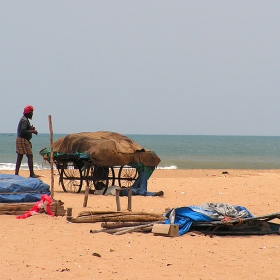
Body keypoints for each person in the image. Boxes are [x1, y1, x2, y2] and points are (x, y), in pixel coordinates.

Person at [15, 105, 39, 178]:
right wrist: (32, 131)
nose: (32, 114)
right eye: (32, 112)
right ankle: (31, 174)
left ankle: (16, 174)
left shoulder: (24, 119)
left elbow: (24, 129)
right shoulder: (25, 120)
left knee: (20, 156)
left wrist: (30, 128)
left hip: (20, 139)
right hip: (23, 139)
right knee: (29, 155)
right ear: (29, 113)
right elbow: (23, 131)